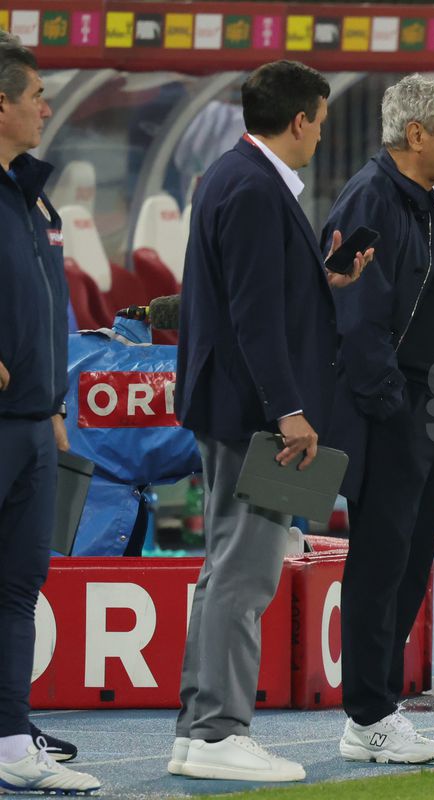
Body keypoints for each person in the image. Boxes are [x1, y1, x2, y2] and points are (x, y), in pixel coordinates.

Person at [171, 60, 372, 782]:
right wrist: (291, 412)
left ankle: (201, 730)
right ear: (300, 120)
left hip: (233, 404)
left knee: (225, 568)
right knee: (245, 572)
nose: (321, 133)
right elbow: (253, 317)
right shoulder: (256, 190)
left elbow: (257, 296)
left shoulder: (234, 177)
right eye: (320, 120)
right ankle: (219, 732)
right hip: (254, 413)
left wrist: (325, 280)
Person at [320, 74, 434, 766]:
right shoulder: (371, 199)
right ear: (417, 135)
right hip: (397, 410)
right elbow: (354, 317)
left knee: (412, 562)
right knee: (381, 562)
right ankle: (367, 716)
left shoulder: (428, 207)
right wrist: (393, 407)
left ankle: (379, 704)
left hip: (433, 407)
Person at [0, 40, 100, 795]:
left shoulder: (31, 195)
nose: (46, 104)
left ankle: (8, 738)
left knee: (17, 586)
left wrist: (58, 407)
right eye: (36, 92)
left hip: (35, 421)